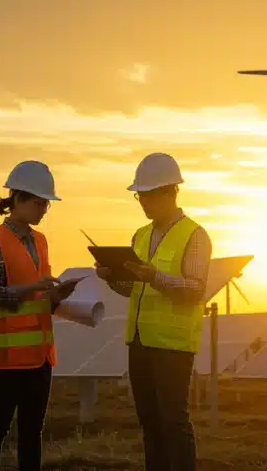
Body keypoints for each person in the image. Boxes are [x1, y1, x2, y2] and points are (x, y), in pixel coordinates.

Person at [97, 152, 212, 471]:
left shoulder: (195, 235)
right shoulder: (141, 235)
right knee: (149, 423)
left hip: (173, 345)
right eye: (140, 197)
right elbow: (135, 288)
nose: (143, 203)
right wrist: (112, 278)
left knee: (174, 422)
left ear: (169, 192)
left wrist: (155, 277)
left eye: (147, 196)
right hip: (139, 341)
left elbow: (196, 289)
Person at [0, 160, 77, 471]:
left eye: (46, 203)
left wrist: (57, 295)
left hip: (40, 356)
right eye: (39, 202)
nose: (44, 209)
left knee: (32, 433)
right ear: (17, 199)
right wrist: (33, 286)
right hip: (6, 357)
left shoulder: (40, 241)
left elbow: (39, 296)